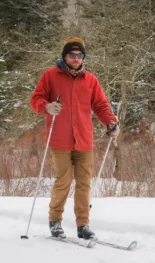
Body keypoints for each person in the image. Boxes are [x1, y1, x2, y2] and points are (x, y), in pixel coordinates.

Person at [30, 37, 119, 240]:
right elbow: (36, 99)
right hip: (59, 139)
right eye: (72, 55)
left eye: (80, 56)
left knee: (84, 183)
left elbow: (101, 106)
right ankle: (55, 221)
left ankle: (83, 225)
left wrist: (111, 122)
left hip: (84, 140)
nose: (76, 58)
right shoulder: (51, 75)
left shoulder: (90, 80)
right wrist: (47, 107)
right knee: (64, 180)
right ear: (65, 56)